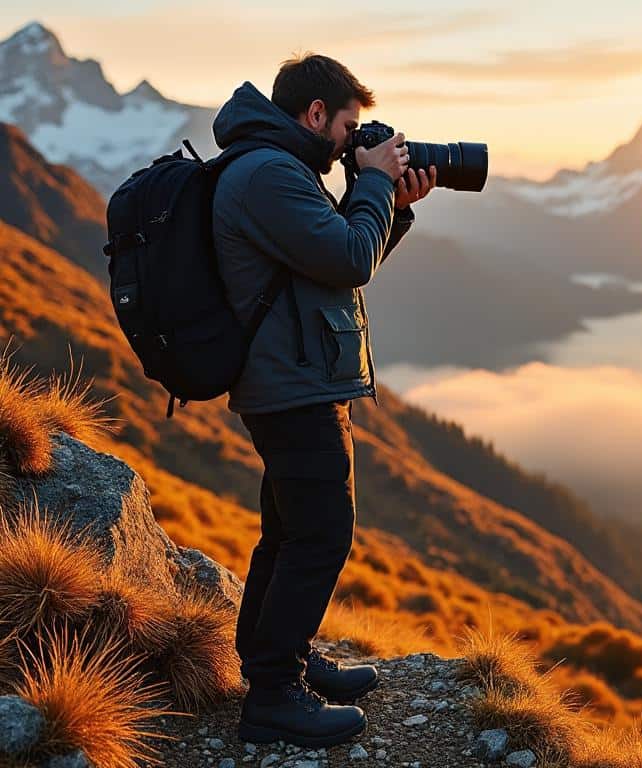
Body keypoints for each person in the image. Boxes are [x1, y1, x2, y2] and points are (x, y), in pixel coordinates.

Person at [211, 53, 437, 747]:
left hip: (295, 378)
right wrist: (371, 184)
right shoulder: (270, 174)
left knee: (287, 531)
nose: (353, 139)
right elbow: (344, 259)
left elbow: (335, 265)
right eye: (348, 125)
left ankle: (280, 661)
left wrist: (389, 210)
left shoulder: (277, 169)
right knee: (321, 535)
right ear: (315, 114)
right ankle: (274, 697)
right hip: (292, 387)